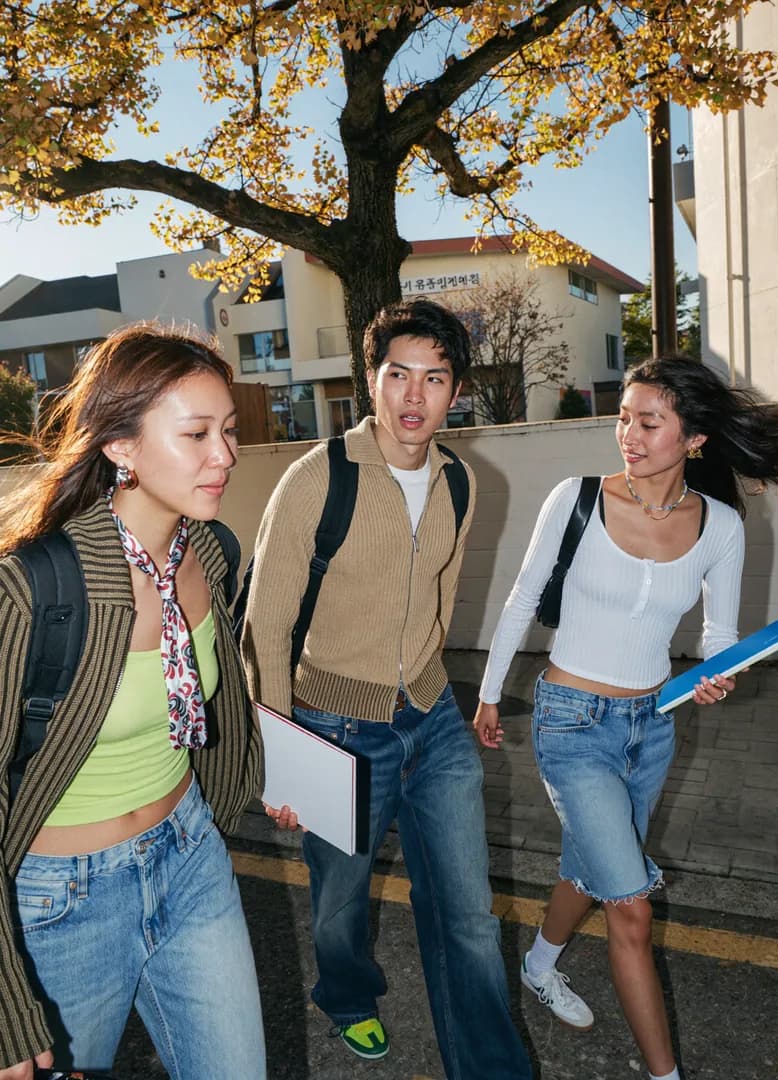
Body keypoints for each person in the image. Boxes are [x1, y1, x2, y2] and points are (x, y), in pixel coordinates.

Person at [473, 356, 778, 1080]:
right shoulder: (577, 497)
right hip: (569, 721)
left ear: (693, 438)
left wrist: (718, 673)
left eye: (648, 421)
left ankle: (539, 963)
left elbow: (718, 636)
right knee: (631, 907)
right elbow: (522, 598)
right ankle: (665, 1076)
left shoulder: (720, 525)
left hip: (652, 726)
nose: (628, 433)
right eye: (624, 416)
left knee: (593, 870)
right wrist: (490, 693)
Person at [241, 299, 534, 1079]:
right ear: (369, 380)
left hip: (433, 722)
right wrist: (281, 750)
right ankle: (345, 996)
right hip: (337, 725)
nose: (414, 396)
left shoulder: (460, 481)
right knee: (340, 901)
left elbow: (440, 595)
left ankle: (492, 1068)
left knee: (469, 916)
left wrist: (440, 686)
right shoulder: (316, 479)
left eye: (434, 378)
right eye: (398, 374)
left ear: (455, 390)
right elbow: (265, 626)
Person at [0, 324, 266, 1079]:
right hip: (60, 902)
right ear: (120, 447)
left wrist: (251, 781)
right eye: (197, 434)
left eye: (230, 431)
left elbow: (220, 704)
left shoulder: (212, 554)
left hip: (189, 858)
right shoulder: (34, 587)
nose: (225, 455)